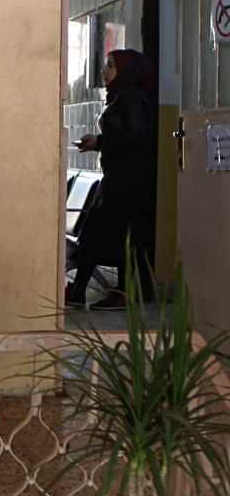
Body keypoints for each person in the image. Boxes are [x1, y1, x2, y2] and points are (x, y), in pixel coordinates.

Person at [69, 49, 156, 310]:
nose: (104, 70)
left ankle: (113, 293)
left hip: (128, 180)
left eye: (110, 65)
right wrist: (97, 144)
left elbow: (135, 138)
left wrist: (100, 141)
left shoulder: (132, 98)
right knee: (99, 233)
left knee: (112, 234)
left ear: (127, 71)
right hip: (118, 177)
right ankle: (79, 291)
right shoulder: (121, 96)